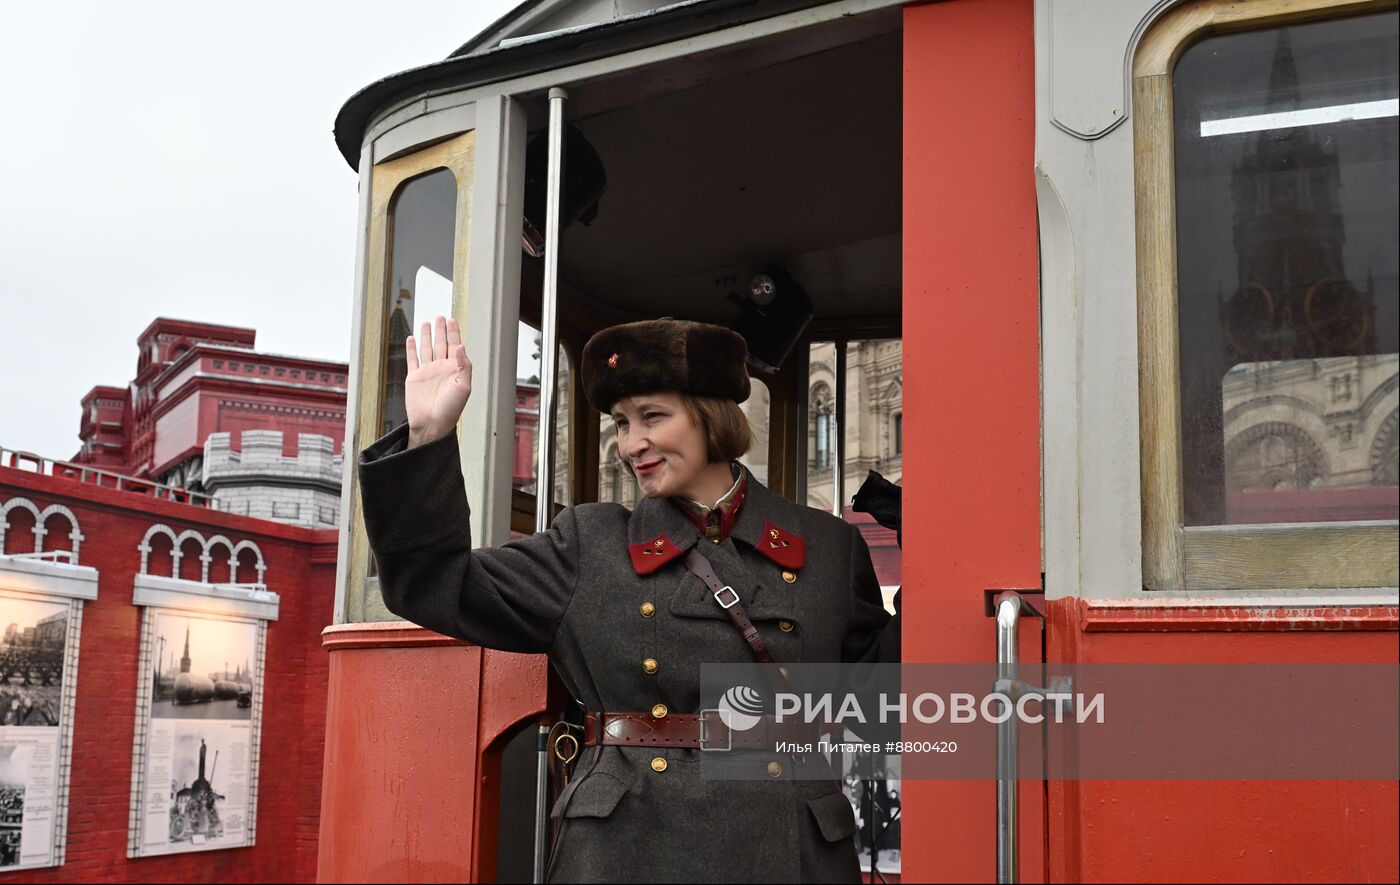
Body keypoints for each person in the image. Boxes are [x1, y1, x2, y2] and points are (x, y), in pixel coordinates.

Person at [359, 315, 901, 883]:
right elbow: (431, 582)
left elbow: (882, 705)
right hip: (629, 850)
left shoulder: (827, 546)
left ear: (711, 416)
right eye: (621, 423)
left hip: (790, 851)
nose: (630, 445)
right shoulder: (587, 544)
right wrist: (427, 435)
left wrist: (937, 564)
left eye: (652, 417)